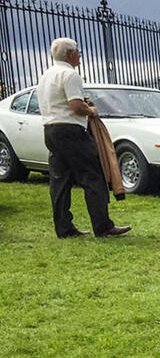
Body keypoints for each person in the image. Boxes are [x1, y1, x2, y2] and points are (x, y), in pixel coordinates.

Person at [38, 38, 130, 238]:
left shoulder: (46, 75)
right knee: (93, 176)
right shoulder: (70, 74)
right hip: (71, 130)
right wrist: (92, 110)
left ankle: (64, 228)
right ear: (70, 54)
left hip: (51, 129)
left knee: (59, 181)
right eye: (78, 51)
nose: (80, 54)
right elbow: (76, 106)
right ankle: (103, 226)